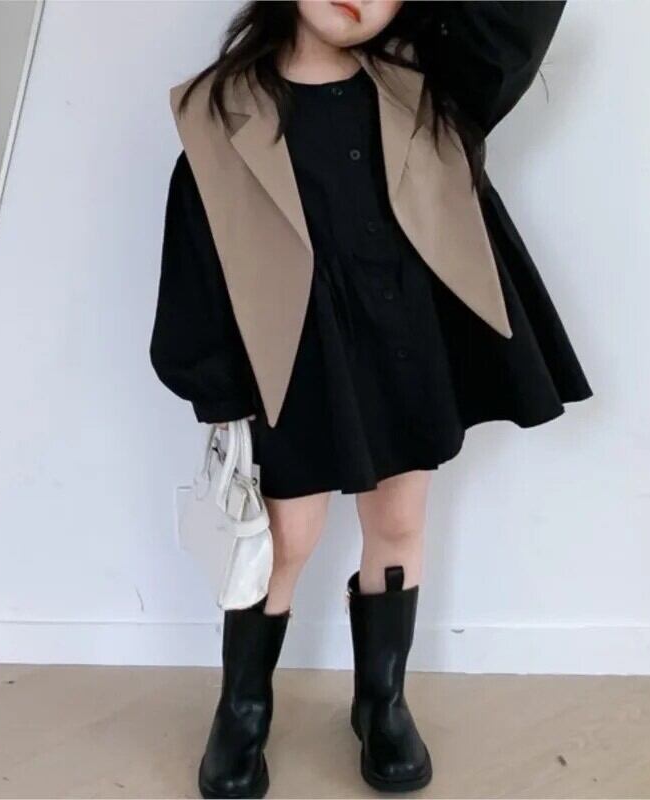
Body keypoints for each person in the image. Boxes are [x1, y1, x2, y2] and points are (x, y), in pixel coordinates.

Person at [150, 2, 593, 797]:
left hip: (404, 342)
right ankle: (243, 708)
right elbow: (198, 254)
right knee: (285, 538)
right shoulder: (221, 116)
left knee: (398, 521)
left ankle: (382, 701)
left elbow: (521, 18)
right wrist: (214, 386)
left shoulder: (434, 87)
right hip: (295, 358)